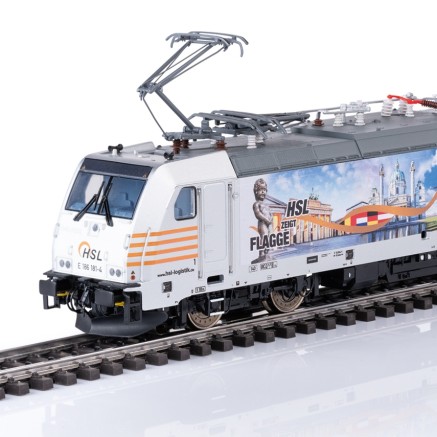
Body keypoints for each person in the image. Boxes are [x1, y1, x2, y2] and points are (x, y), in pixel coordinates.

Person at [252, 178, 272, 261]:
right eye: (261, 190)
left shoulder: (266, 205)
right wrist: (266, 220)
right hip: (262, 223)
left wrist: (270, 220)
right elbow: (258, 214)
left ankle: (267, 252)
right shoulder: (256, 204)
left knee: (268, 238)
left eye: (265, 190)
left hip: (268, 224)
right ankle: (261, 253)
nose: (263, 192)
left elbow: (270, 213)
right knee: (263, 237)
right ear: (256, 191)